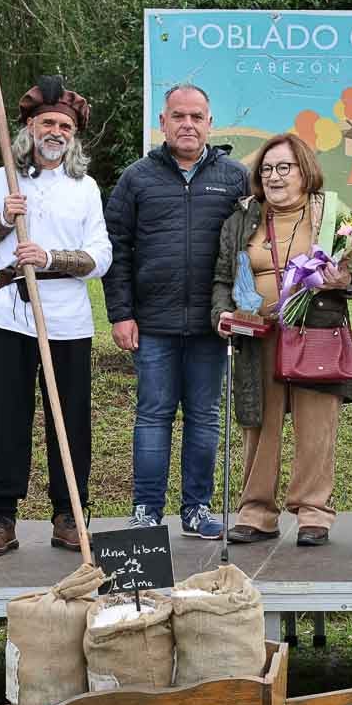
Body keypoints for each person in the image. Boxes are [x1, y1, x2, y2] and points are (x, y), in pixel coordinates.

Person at [0, 76, 111, 557]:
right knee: (10, 416)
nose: (56, 131)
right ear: (28, 125)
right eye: (48, 121)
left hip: (67, 316)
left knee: (71, 419)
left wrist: (49, 258)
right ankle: (1, 516)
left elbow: (100, 255)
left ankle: (69, 513)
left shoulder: (84, 189)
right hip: (11, 314)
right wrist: (2, 219)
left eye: (65, 124)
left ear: (73, 134)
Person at [104, 84, 250, 540]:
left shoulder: (234, 177)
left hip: (212, 324)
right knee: (153, 415)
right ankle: (146, 509)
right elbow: (117, 250)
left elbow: (249, 247)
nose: (188, 124)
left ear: (210, 123)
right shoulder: (136, 178)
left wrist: (241, 311)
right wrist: (121, 314)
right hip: (153, 324)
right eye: (178, 116)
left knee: (205, 417)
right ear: (162, 123)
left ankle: (196, 508)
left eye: (197, 116)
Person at [210, 133, 352, 547]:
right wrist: (222, 313)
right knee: (259, 425)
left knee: (316, 427)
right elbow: (222, 277)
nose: (274, 177)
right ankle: (256, 512)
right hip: (258, 336)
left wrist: (347, 280)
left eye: (284, 168)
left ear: (304, 171)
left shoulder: (331, 213)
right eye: (267, 169)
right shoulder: (242, 218)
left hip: (317, 330)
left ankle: (314, 513)